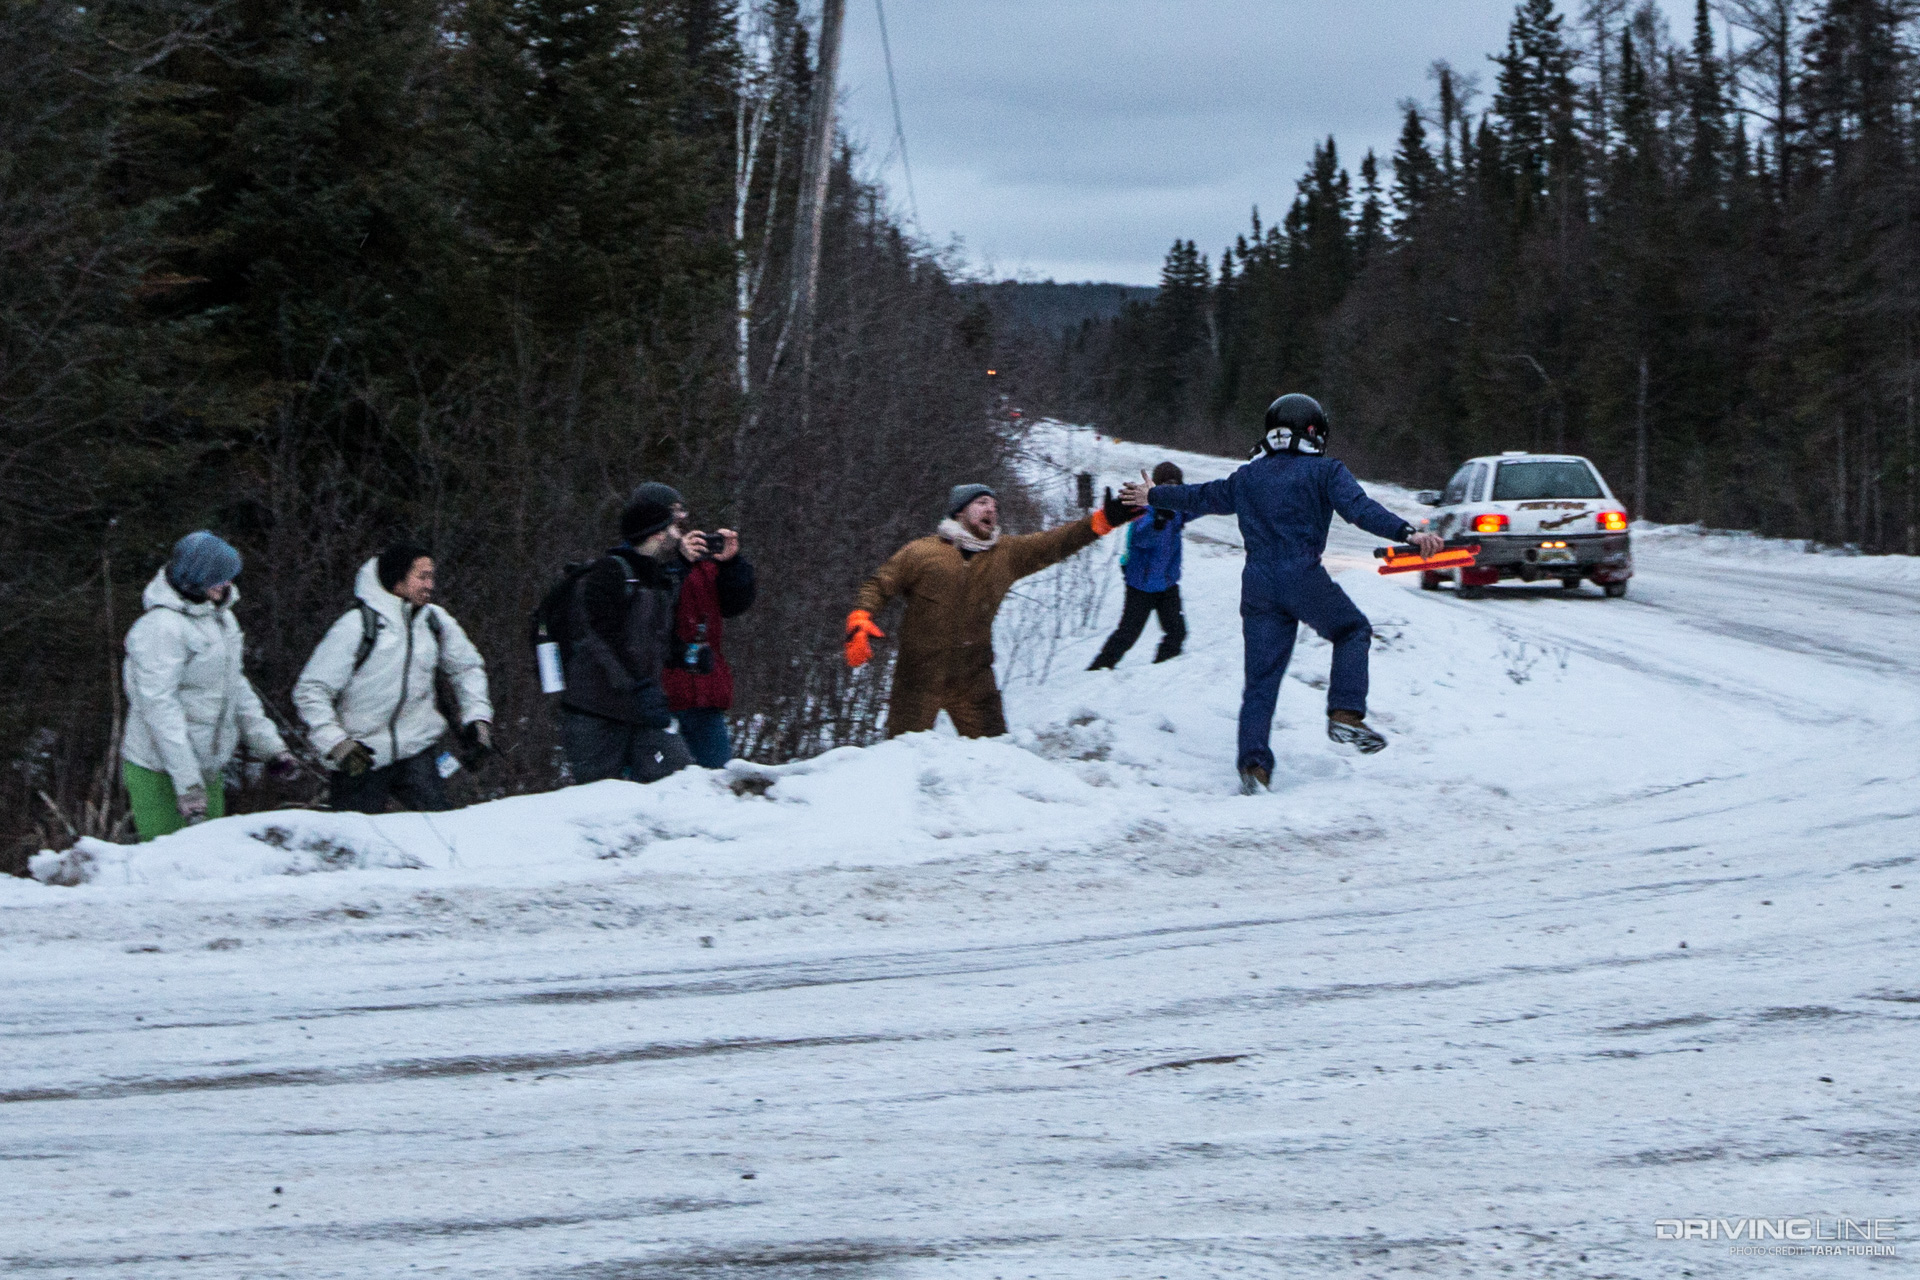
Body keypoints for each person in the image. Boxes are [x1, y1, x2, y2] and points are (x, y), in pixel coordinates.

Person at [1121, 394, 1444, 794]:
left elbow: (1202, 495)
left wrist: (1155, 495)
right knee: (1352, 630)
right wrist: (1408, 533)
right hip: (1302, 575)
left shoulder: (1247, 477)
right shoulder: (1326, 472)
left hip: (1257, 585)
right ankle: (1344, 713)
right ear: (1313, 432)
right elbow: (1361, 510)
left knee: (1260, 680)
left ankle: (1254, 768)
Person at [846, 481, 1135, 738]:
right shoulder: (922, 552)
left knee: (994, 761)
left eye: (995, 506)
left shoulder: (1006, 554)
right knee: (902, 757)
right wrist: (860, 618)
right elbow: (880, 584)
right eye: (982, 503)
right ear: (959, 511)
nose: (991, 510)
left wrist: (1104, 519)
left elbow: (1055, 543)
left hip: (974, 678)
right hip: (919, 677)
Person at [120, 531, 298, 840]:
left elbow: (236, 688)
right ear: (193, 579)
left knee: (210, 862)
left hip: (206, 769)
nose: (226, 584)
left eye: (228, 578)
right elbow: (159, 708)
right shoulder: (161, 629)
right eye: (217, 578)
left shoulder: (220, 619)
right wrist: (187, 785)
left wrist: (270, 747)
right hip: (161, 771)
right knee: (171, 865)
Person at [294, 543, 493, 815]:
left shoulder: (435, 621)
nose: (430, 585)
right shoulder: (356, 626)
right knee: (358, 844)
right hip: (362, 755)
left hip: (417, 749)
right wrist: (336, 743)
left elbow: (467, 668)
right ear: (397, 579)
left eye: (431, 576)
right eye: (421, 577)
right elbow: (311, 689)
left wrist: (477, 719)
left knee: (442, 835)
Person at [557, 483, 704, 784]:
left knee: (683, 783)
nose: (680, 534)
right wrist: (639, 686)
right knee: (600, 807)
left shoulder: (658, 577)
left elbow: (658, 640)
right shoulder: (607, 573)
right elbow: (602, 641)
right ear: (659, 532)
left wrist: (688, 657)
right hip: (594, 716)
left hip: (641, 714)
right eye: (675, 527)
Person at [661, 507, 756, 770]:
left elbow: (737, 603)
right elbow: (655, 610)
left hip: (705, 692)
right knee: (663, 786)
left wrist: (732, 562)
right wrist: (679, 563)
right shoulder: (653, 567)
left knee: (716, 782)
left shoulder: (706, 568)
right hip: (662, 696)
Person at [1088, 460, 1194, 670]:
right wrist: (1158, 522)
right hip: (1141, 586)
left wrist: (1234, 495)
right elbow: (1141, 540)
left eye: (1176, 487)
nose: (1171, 492)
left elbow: (1204, 503)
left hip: (1167, 584)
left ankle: (1162, 670)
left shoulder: (1179, 510)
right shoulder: (1143, 510)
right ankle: (1097, 670)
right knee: (1127, 635)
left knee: (1177, 632)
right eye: (1166, 487)